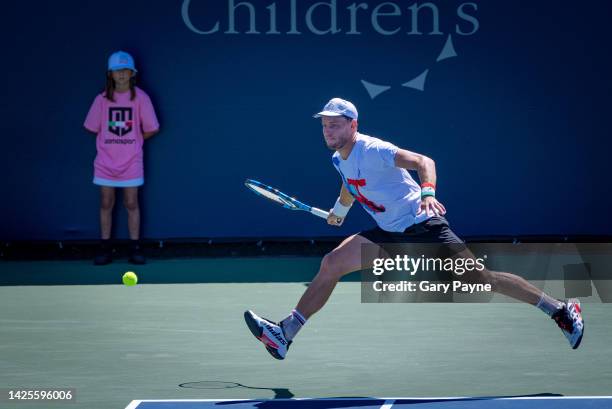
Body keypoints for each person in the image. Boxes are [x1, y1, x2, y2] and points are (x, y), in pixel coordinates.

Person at [244, 97, 584, 360]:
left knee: (482, 281)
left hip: (423, 227)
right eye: (325, 126)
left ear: (353, 125)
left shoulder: (374, 149)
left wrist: (428, 194)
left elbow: (425, 162)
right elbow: (350, 185)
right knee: (332, 264)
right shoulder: (338, 158)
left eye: (335, 125)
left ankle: (559, 310)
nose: (328, 131)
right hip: (389, 233)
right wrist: (339, 211)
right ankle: (284, 334)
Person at [84, 51, 160, 265]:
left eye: (125, 70)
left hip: (131, 163)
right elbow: (92, 127)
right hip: (105, 163)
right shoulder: (101, 99)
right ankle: (105, 248)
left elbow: (152, 128)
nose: (122, 75)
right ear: (110, 74)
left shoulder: (141, 98)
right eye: (117, 71)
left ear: (132, 73)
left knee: (131, 202)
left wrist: (135, 141)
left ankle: (135, 248)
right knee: (106, 202)